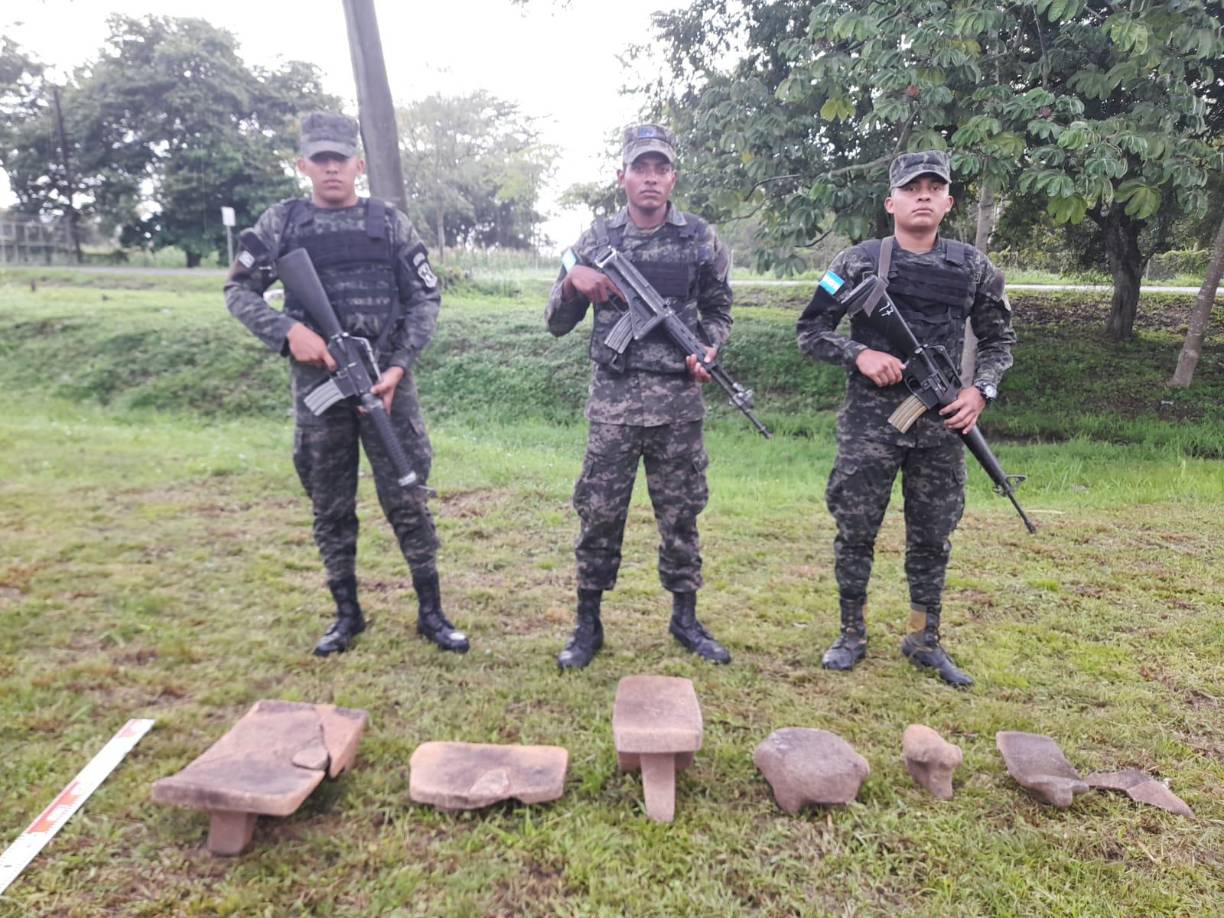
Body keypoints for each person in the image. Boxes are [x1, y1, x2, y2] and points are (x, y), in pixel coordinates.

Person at [224, 111, 468, 658]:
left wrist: (398, 366)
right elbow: (238, 291)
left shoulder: (389, 222)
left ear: (359, 165)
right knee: (329, 502)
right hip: (320, 388)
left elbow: (425, 298)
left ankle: (431, 612)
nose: (331, 168)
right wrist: (289, 333)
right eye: (321, 159)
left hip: (386, 384)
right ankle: (346, 614)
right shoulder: (282, 223)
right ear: (303, 165)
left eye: (341, 159)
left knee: (408, 497)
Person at [796, 151, 1016, 687]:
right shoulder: (856, 263)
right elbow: (810, 331)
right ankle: (851, 633)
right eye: (912, 188)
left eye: (933, 188)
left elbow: (999, 340)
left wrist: (980, 391)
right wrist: (859, 355)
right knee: (855, 530)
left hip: (941, 427)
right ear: (890, 202)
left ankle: (923, 638)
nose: (923, 196)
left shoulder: (972, 267)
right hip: (870, 426)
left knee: (933, 537)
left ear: (948, 203)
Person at [545, 123, 735, 669]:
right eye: (640, 168)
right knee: (599, 514)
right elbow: (555, 322)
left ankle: (685, 619)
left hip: (678, 406)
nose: (650, 178)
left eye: (660, 169)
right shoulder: (595, 240)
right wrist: (573, 282)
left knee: (681, 514)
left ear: (673, 177)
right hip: (613, 406)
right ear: (621, 176)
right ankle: (588, 625)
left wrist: (709, 348)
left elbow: (719, 310)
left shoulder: (700, 238)